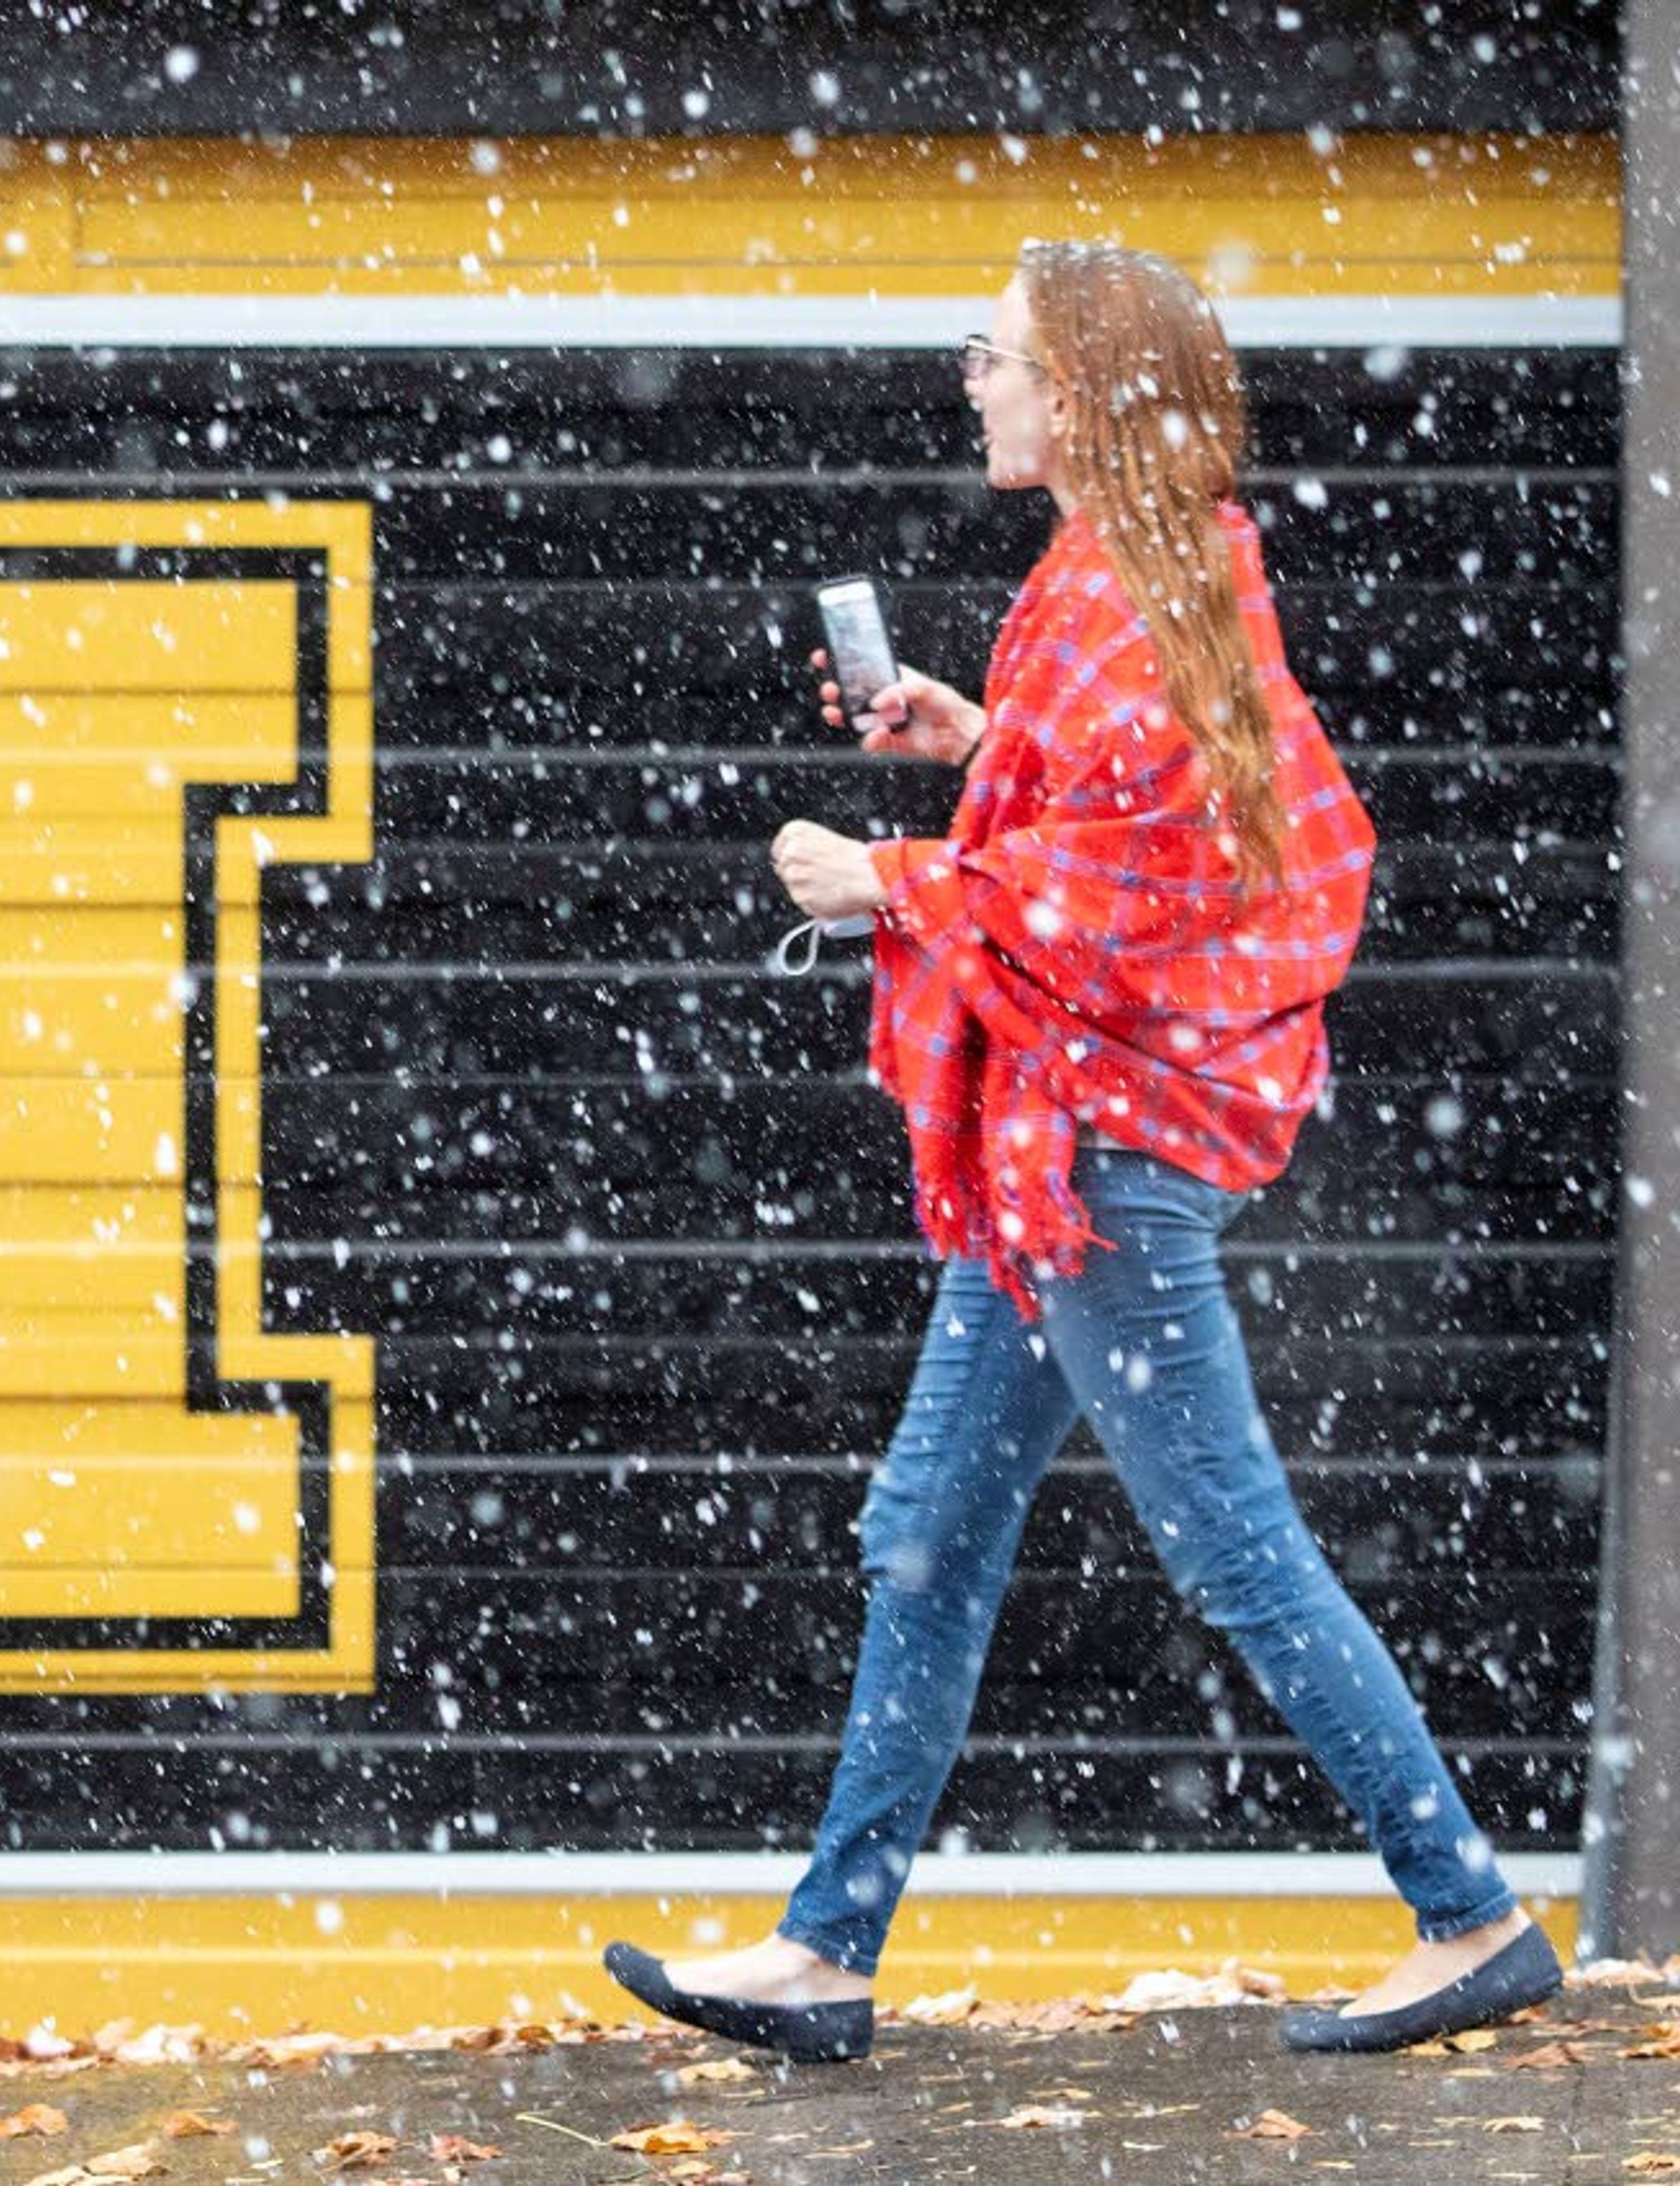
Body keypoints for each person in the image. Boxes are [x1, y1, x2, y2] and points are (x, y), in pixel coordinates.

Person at [601, 240, 1561, 2063]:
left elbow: (1133, 894)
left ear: (1087, 391)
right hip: (1057, 1158)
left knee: (1235, 1552)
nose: (977, 380)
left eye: (1001, 355)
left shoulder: (1130, 590)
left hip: (1098, 1163)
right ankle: (827, 1949)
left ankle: (1468, 1909)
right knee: (931, 1540)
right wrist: (977, 742)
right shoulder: (1124, 583)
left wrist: (884, 874)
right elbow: (1118, 816)